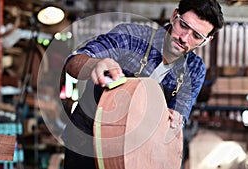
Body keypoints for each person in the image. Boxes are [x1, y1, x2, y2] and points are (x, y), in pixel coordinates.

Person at [62, 0, 224, 168]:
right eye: (183, 26)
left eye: (196, 36)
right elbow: (74, 61)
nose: (184, 38)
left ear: (206, 40)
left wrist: (173, 120)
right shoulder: (132, 37)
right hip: (86, 143)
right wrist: (94, 65)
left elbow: (178, 117)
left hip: (136, 154)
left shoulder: (195, 69)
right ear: (174, 16)